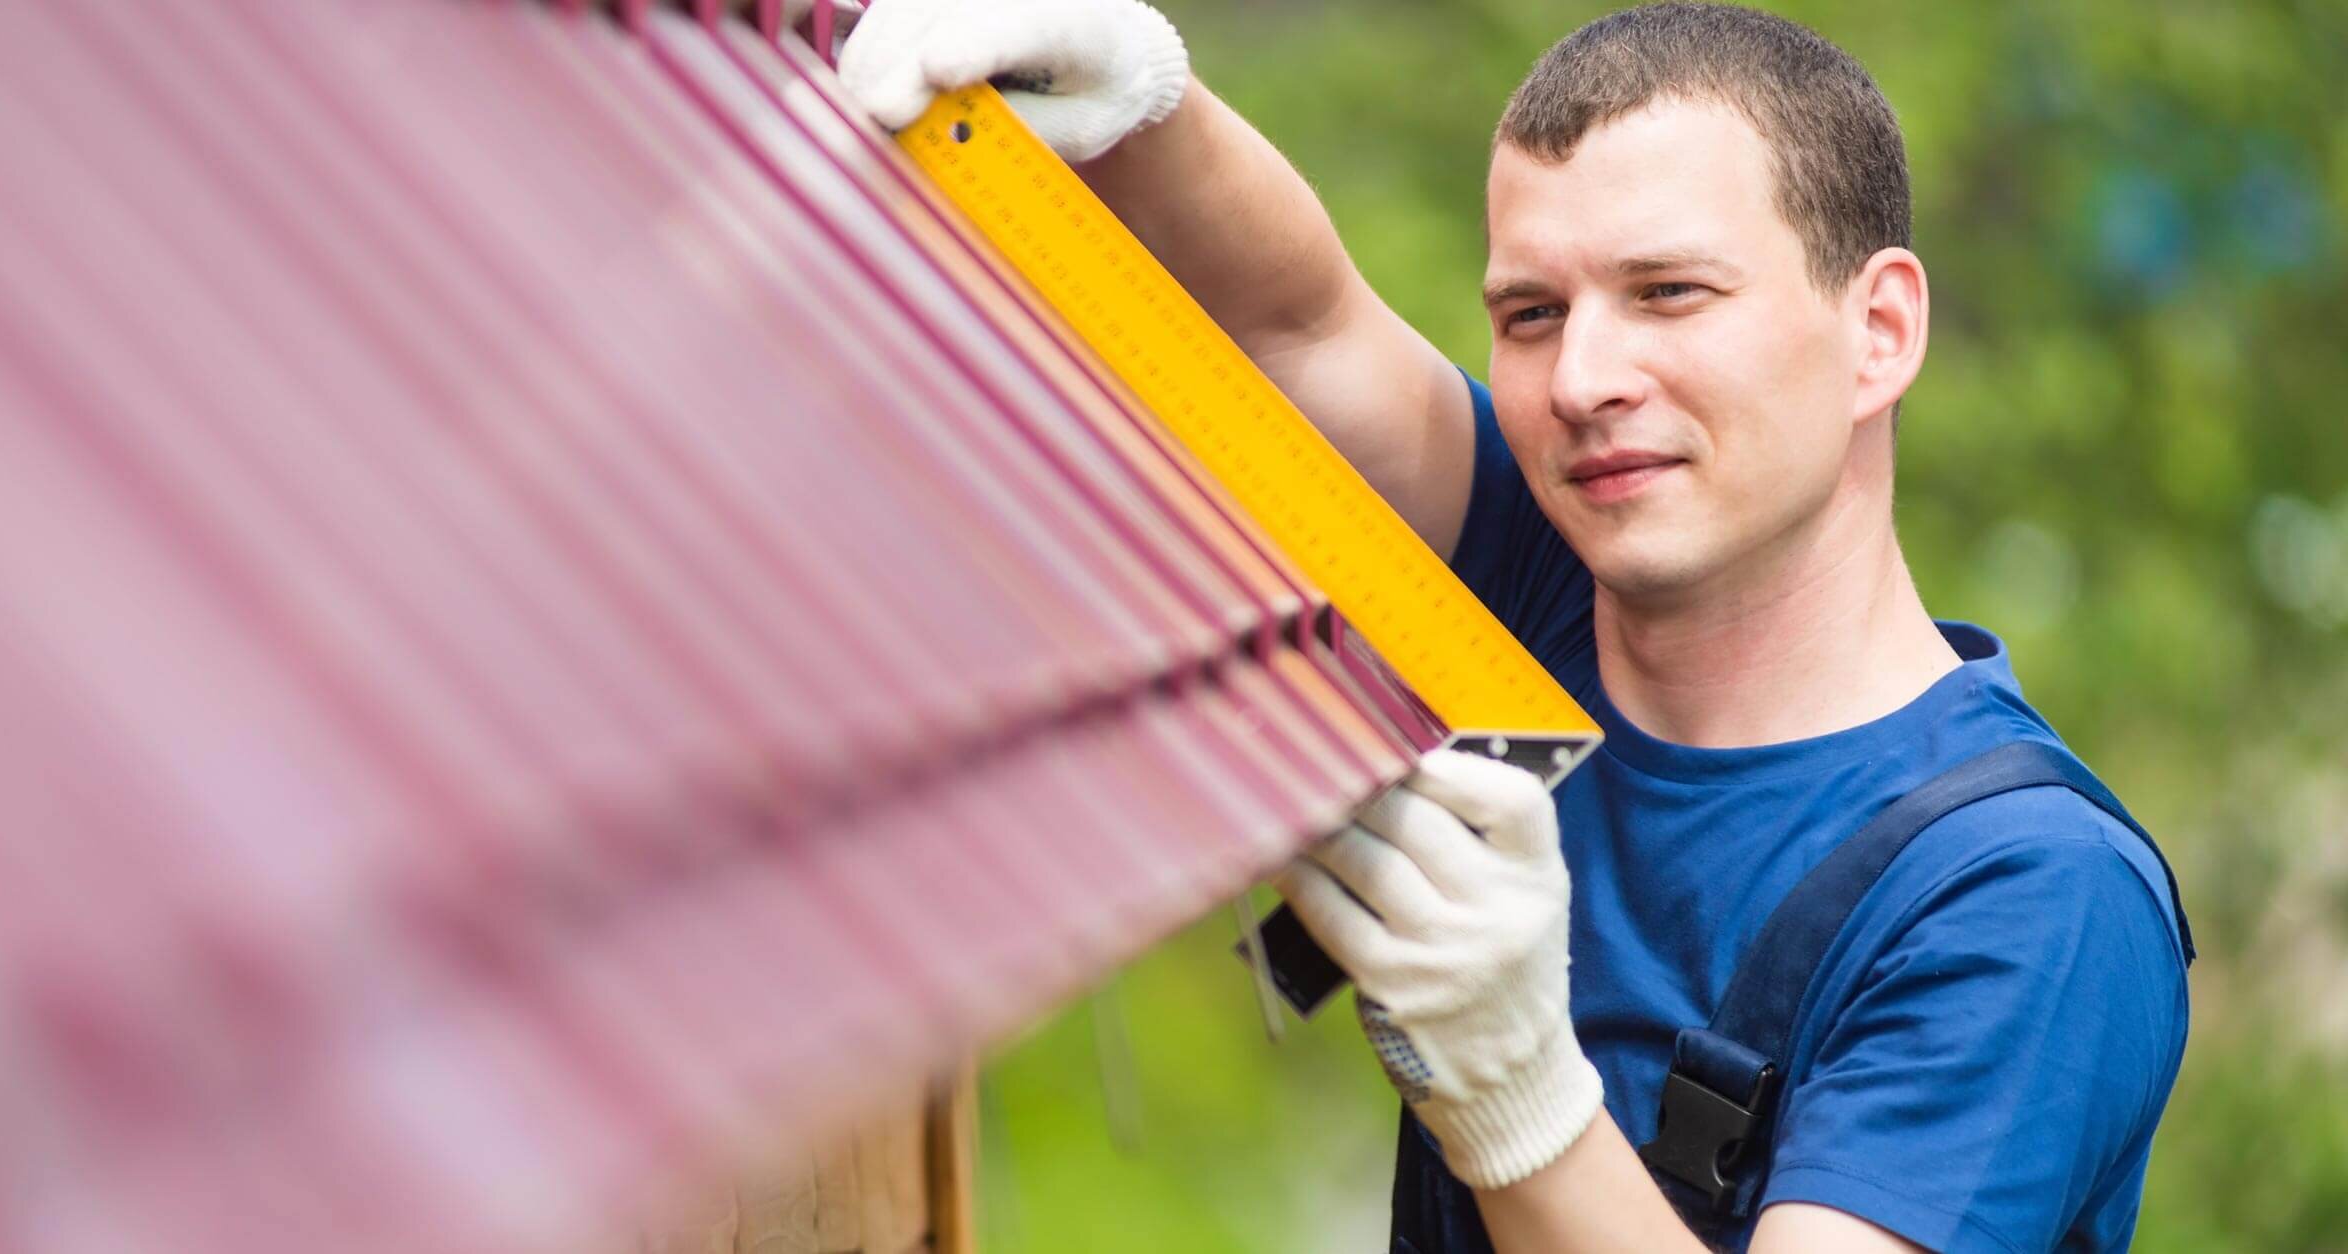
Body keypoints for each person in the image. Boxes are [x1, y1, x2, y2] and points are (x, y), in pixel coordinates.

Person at [839, 3, 2194, 1250]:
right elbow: (1289, 320)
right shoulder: (1532, 587)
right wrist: (1146, 104)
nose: (1585, 381)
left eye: (1670, 293)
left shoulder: (2026, 896)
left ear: (1880, 329)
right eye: (1531, 315)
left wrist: (1518, 1097)